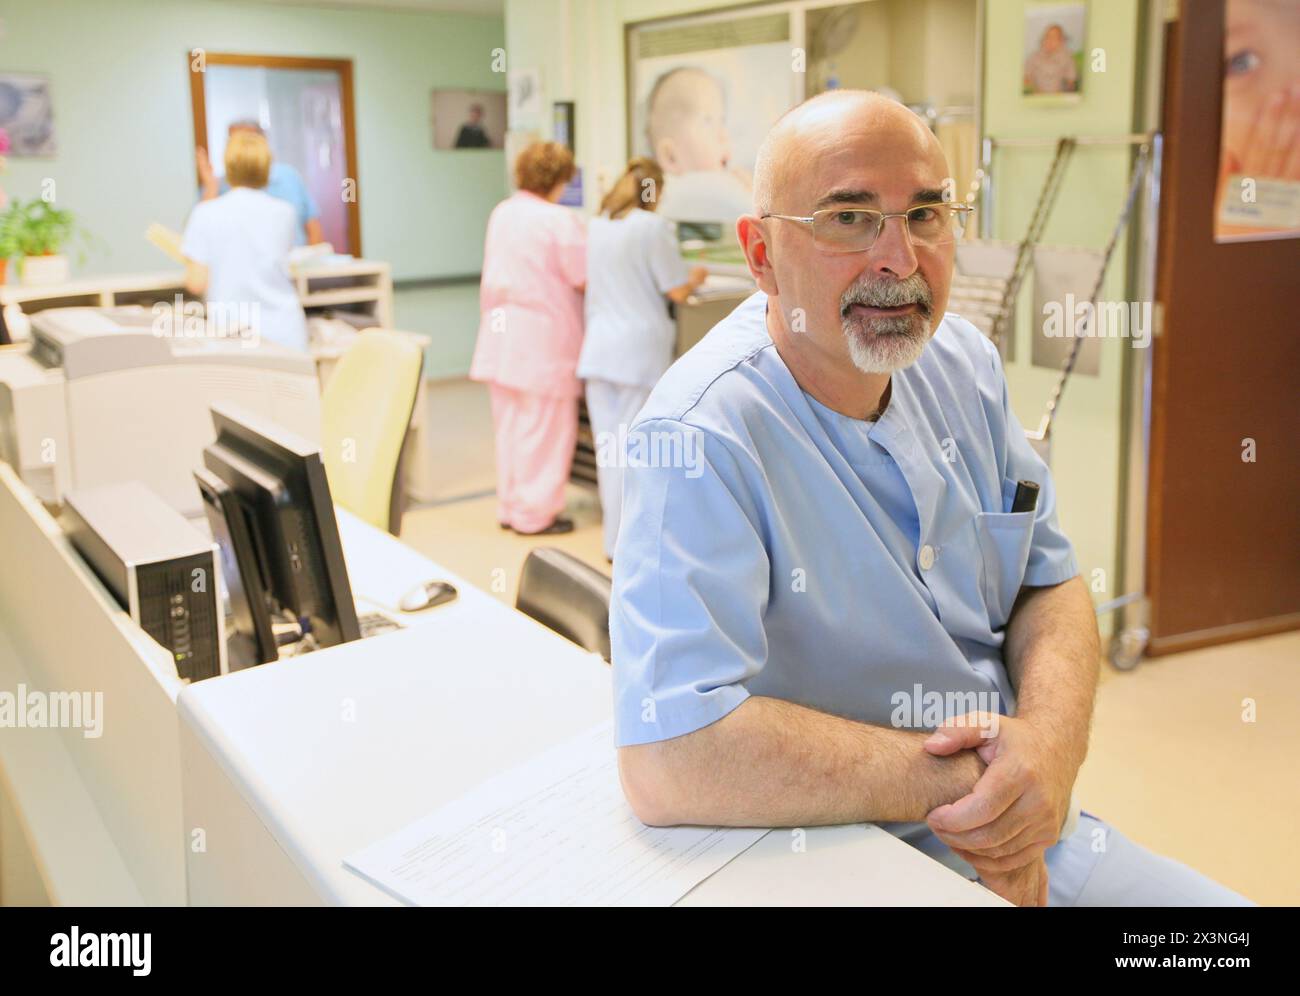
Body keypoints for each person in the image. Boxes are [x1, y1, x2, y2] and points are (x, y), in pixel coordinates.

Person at [610, 90, 1252, 907]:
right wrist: (970, 785)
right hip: (838, 860)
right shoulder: (701, 437)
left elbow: (1048, 584)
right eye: (849, 219)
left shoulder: (963, 365)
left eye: (925, 214)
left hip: (1034, 832)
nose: (900, 260)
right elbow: (673, 758)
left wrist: (1048, 756)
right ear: (762, 254)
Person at [578, 158, 708, 561]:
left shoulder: (598, 226)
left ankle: (613, 541)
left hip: (600, 353)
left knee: (609, 451)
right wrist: (697, 278)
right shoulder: (652, 228)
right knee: (636, 451)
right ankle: (629, 543)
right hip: (637, 353)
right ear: (655, 190)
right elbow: (676, 291)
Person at [470, 141, 586, 535]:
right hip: (542, 341)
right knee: (544, 432)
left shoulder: (503, 212)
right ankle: (534, 516)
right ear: (557, 179)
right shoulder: (558, 221)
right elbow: (582, 274)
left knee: (510, 427)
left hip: (501, 336)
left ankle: (511, 507)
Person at [182, 129, 307, 351]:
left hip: (233, 336)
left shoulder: (206, 213)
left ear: (228, 168)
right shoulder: (285, 212)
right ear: (267, 168)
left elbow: (196, 282)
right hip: (285, 334)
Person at [644, 66, 753, 222]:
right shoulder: (680, 194)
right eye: (708, 121)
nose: (723, 135)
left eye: (722, 121)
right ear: (671, 157)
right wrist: (750, 194)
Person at [196, 120, 324, 246]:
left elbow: (313, 228)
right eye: (234, 143)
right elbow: (199, 235)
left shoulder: (289, 177)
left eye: (248, 143)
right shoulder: (216, 186)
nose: (241, 151)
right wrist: (211, 187)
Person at [1023, 23, 1078, 95]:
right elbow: (1026, 77)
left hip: (1059, 98)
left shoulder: (1067, 58)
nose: (1049, 40)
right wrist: (1034, 90)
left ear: (1061, 41)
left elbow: (1071, 82)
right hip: (1037, 96)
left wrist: (1064, 93)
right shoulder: (1034, 57)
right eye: (1047, 36)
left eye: (1054, 37)